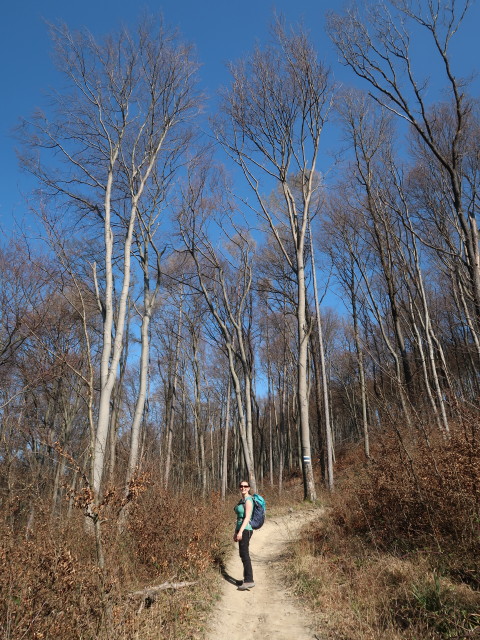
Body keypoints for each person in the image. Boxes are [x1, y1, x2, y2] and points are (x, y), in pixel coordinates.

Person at [234, 480, 255, 590]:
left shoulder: (248, 500)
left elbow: (247, 518)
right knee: (242, 554)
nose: (243, 488)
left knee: (245, 554)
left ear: (249, 488)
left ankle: (249, 580)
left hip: (246, 529)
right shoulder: (242, 500)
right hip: (240, 529)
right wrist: (235, 532)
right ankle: (246, 578)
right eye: (241, 486)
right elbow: (238, 518)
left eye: (245, 486)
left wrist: (241, 531)